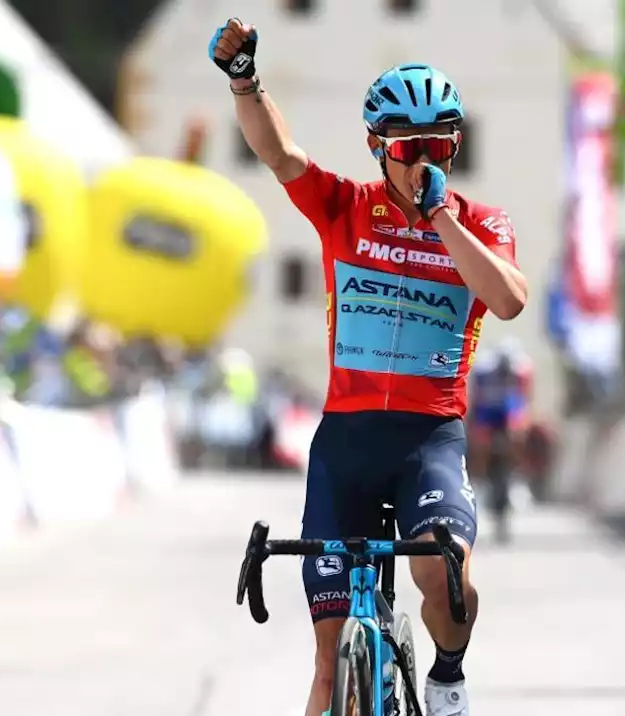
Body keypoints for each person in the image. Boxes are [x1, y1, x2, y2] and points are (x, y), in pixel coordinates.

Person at [210, 17, 528, 716]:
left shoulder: (480, 223)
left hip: (429, 441)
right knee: (327, 670)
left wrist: (439, 216)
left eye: (439, 145)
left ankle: (446, 673)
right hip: (346, 444)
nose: (424, 163)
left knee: (445, 579)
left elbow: (506, 300)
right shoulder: (346, 209)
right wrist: (245, 82)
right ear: (377, 148)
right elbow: (280, 153)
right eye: (411, 148)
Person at [467, 339, 533, 542]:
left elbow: (525, 399)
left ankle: (518, 476)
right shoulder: (483, 369)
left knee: (519, 436)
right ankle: (478, 481)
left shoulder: (522, 369)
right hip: (487, 410)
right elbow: (475, 399)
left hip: (509, 408)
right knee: (480, 442)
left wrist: (521, 424)